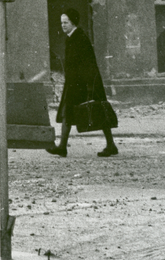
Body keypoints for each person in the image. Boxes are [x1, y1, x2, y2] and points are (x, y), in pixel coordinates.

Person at [48, 9, 119, 158]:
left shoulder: (80, 38)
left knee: (98, 111)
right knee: (68, 112)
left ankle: (111, 145)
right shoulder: (71, 38)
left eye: (66, 22)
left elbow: (89, 63)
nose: (63, 25)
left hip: (85, 83)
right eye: (61, 23)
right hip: (74, 83)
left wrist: (90, 85)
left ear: (73, 22)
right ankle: (62, 147)